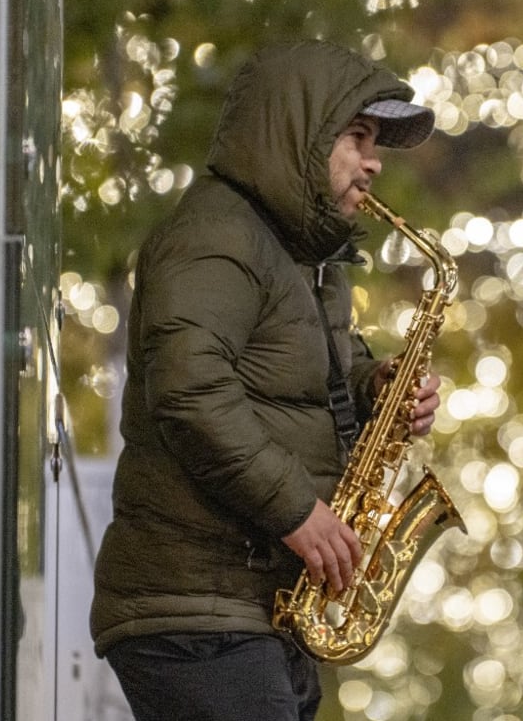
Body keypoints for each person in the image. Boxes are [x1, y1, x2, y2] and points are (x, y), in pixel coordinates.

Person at [90, 39, 441, 721]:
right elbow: (190, 394)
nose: (373, 163)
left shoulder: (302, 256)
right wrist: (297, 512)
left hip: (253, 606)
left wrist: (377, 387)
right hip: (197, 611)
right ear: (300, 134)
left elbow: (298, 370)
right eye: (359, 137)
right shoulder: (215, 238)